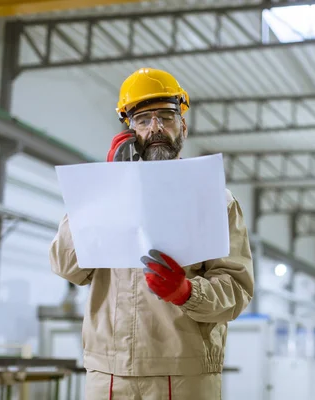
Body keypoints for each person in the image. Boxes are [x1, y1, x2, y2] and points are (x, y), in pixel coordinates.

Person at [49, 68, 254, 399]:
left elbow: (237, 288)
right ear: (129, 131)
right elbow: (68, 267)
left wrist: (186, 292)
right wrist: (106, 189)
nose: (155, 128)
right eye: (143, 119)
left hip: (185, 374)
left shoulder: (214, 198)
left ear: (183, 125)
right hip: (108, 375)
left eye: (166, 117)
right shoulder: (102, 198)